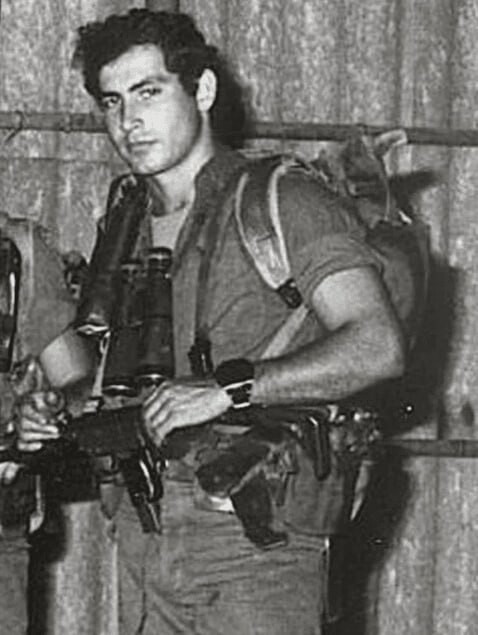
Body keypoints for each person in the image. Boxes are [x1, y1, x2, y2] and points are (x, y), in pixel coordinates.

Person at [15, 9, 406, 634]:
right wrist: (57, 411)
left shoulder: (281, 199)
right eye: (112, 102)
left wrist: (227, 389)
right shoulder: (127, 225)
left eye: (148, 92)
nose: (128, 120)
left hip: (254, 542)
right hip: (146, 534)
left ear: (201, 91)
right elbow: (125, 389)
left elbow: (377, 345)